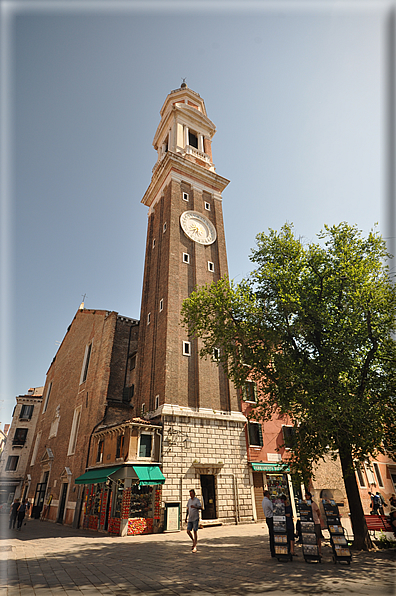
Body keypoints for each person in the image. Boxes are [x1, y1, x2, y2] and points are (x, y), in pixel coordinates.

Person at [305, 491, 323, 556]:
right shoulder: (306, 504)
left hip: (315, 522)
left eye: (306, 495)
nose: (305, 497)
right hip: (309, 522)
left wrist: (318, 517)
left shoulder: (313, 504)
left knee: (318, 537)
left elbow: (318, 511)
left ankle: (319, 551)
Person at [185, 489, 202, 553]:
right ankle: (193, 540)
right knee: (188, 531)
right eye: (190, 494)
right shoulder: (189, 500)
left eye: (191, 494)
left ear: (194, 494)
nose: (190, 495)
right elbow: (187, 509)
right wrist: (186, 517)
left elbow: (200, 507)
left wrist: (195, 507)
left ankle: (195, 546)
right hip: (190, 518)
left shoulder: (196, 500)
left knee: (195, 531)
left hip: (195, 518)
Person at [262, 490, 275, 558]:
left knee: (271, 534)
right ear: (267, 495)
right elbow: (273, 509)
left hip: (267, 519)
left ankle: (272, 551)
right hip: (271, 518)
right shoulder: (268, 501)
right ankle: (274, 551)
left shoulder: (263, 501)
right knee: (273, 535)